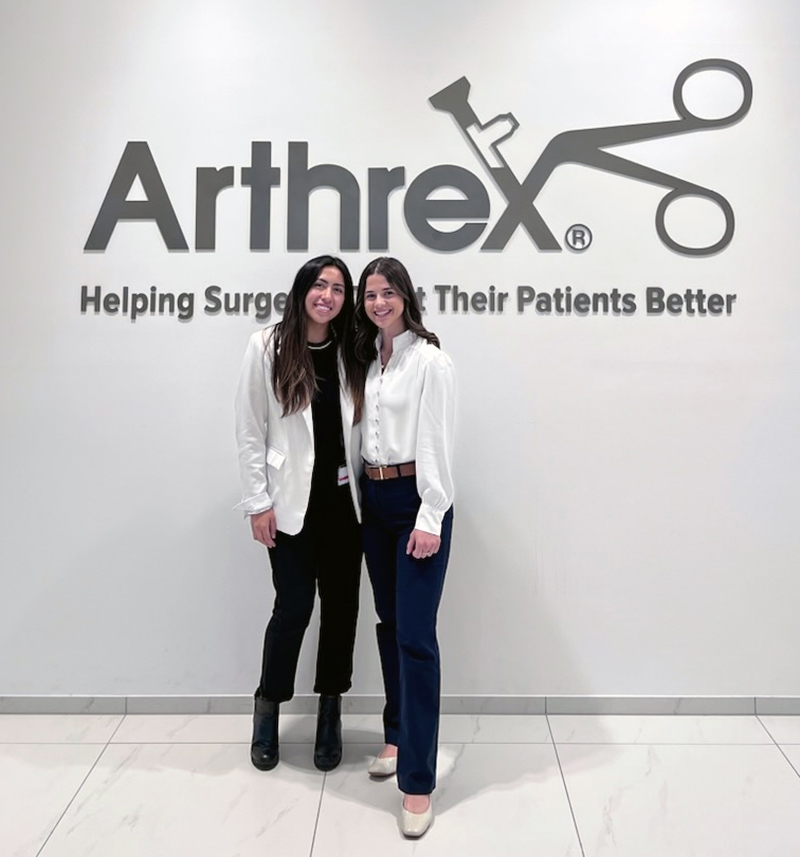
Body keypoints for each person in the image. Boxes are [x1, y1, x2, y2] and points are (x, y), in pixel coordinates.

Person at [235, 255, 363, 773]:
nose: (327, 295)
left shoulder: (353, 351)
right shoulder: (267, 345)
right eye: (319, 284)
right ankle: (267, 707)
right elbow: (249, 428)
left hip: (345, 506)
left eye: (337, 288)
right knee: (292, 609)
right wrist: (257, 502)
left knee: (341, 610)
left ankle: (329, 712)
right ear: (302, 290)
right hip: (289, 503)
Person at [352, 257, 455, 838]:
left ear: (406, 297)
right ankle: (396, 737)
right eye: (370, 294)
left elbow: (438, 440)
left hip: (419, 502)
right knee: (389, 624)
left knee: (416, 638)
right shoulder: (371, 360)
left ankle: (418, 783)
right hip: (376, 500)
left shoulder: (430, 361)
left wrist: (431, 514)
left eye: (387, 292)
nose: (378, 302)